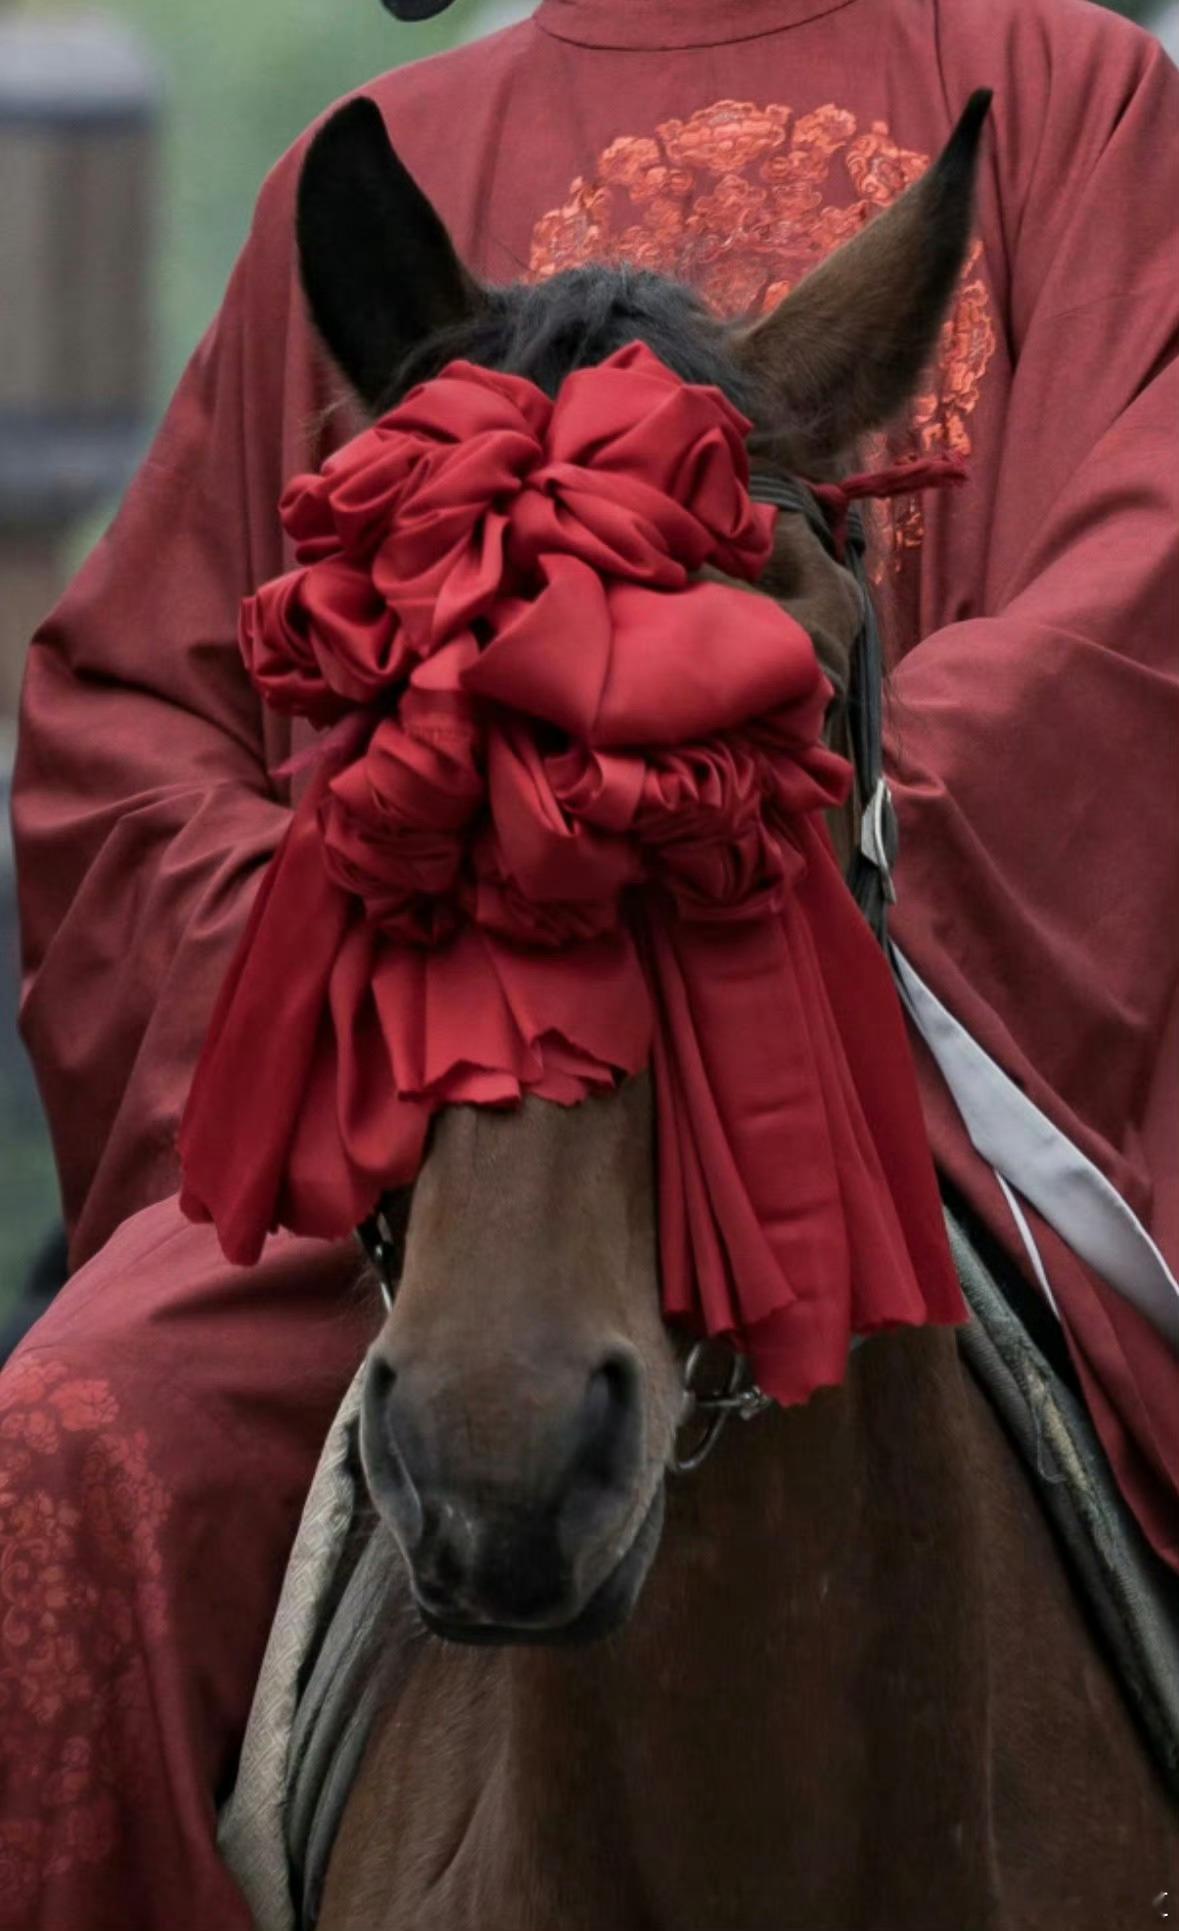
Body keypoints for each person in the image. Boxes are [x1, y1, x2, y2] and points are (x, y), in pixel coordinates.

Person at [4, 0, 1178, 1922]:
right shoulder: (366, 158)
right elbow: (135, 725)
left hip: (929, 1109)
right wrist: (384, 954)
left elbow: (1148, 614)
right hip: (432, 1148)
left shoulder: (1079, 107)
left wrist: (789, 839)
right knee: (51, 1467)